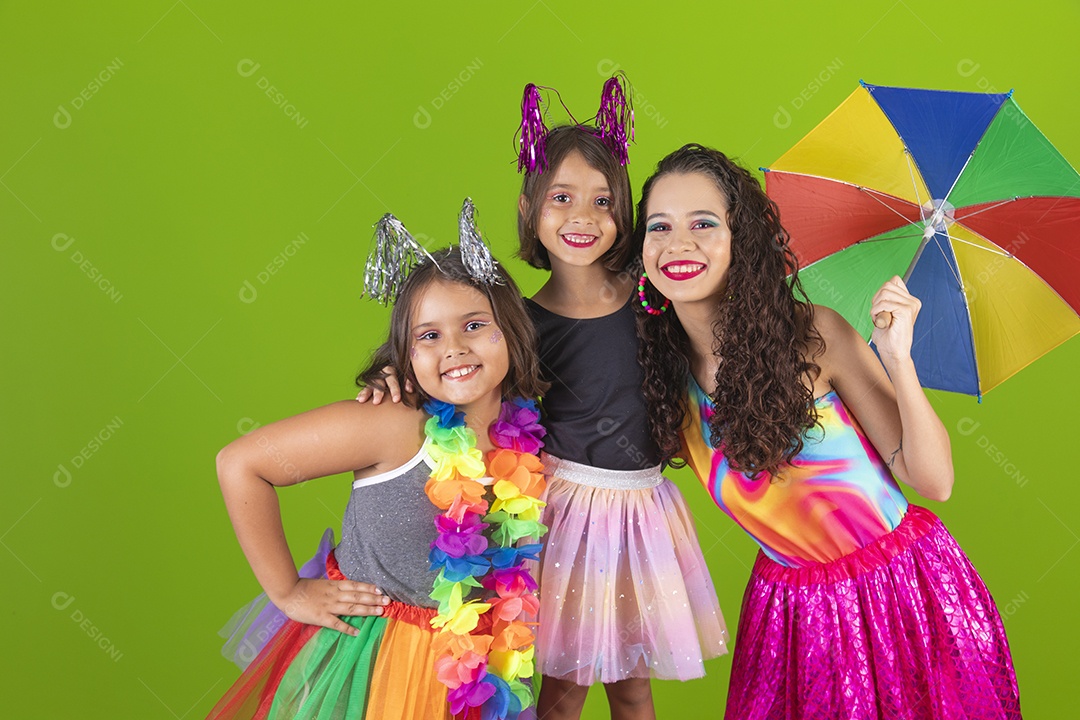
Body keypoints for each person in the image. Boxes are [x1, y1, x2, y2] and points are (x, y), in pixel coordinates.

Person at [362, 80, 728, 720]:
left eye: (601, 201)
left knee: (635, 686)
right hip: (565, 518)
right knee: (561, 689)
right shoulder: (520, 323)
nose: (581, 217)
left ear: (623, 213)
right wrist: (389, 373)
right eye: (562, 199)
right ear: (531, 208)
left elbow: (710, 342)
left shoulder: (654, 293)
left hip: (641, 509)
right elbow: (454, 357)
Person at [632, 143, 1022, 719]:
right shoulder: (658, 374)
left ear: (742, 241)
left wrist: (898, 359)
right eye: (659, 226)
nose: (678, 245)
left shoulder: (814, 334)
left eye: (704, 224)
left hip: (901, 596)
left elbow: (933, 481)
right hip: (791, 617)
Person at [208, 208, 549, 720]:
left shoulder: (528, 440)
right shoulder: (392, 423)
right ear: (405, 355)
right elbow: (241, 463)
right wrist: (288, 591)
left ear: (513, 331)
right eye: (428, 336)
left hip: (478, 675)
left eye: (474, 325)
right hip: (372, 665)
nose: (454, 349)